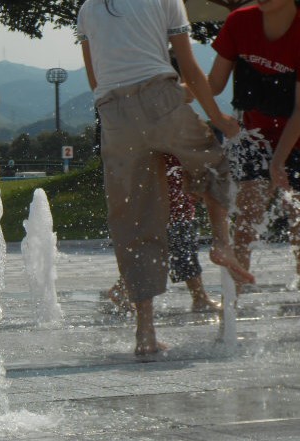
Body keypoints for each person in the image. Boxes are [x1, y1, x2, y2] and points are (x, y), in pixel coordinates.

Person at [77, 0, 254, 355]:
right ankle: (221, 243)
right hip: (159, 96)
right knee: (214, 164)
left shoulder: (87, 9)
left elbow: (96, 79)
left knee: (133, 221)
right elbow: (189, 67)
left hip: (113, 115)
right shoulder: (166, 0)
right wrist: (218, 118)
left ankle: (145, 332)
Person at [208, 0, 300, 293]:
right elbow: (213, 84)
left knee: (298, 223)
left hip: (296, 136)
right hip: (254, 136)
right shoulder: (239, 22)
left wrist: (278, 162)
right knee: (247, 219)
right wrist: (172, 92)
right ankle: (233, 298)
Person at [108, 155, 222, 314]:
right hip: (171, 197)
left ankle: (121, 288)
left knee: (159, 248)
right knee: (181, 245)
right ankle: (199, 299)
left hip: (166, 194)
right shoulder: (173, 145)